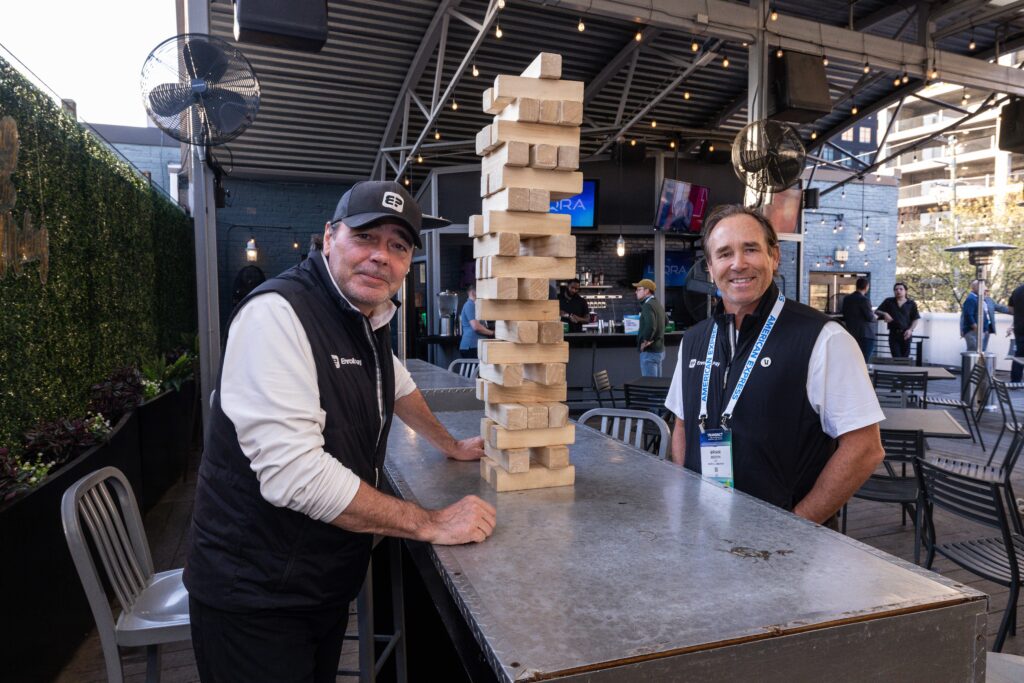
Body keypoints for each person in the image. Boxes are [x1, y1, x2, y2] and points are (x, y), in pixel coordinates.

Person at [184, 181, 497, 683]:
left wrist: (452, 445)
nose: (381, 256)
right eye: (366, 237)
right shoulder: (277, 315)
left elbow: (397, 384)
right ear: (329, 238)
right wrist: (430, 523)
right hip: (255, 594)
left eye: (398, 246)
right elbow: (295, 475)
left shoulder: (363, 318)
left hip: (317, 581)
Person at [665, 205, 884, 525]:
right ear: (710, 268)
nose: (738, 263)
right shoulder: (695, 340)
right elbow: (683, 425)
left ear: (774, 257)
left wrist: (795, 526)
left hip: (788, 555)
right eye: (724, 254)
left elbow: (865, 449)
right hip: (705, 534)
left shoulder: (823, 339)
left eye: (750, 249)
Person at [875, 283, 920, 359]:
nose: (898, 291)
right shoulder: (888, 301)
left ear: (905, 291)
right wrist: (885, 313)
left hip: (906, 334)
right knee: (896, 358)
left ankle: (904, 371)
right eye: (896, 289)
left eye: (901, 289)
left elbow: (915, 319)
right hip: (893, 334)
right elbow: (877, 311)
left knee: (904, 359)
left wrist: (910, 330)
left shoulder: (911, 304)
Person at [841, 277, 879, 362]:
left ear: (856, 286)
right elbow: (870, 317)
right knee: (864, 361)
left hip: (851, 333)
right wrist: (875, 317)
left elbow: (845, 314)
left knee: (853, 360)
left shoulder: (847, 299)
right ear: (866, 287)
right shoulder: (864, 300)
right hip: (866, 335)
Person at [633, 278, 666, 376]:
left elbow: (651, 326)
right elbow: (666, 321)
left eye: (639, 290)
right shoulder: (657, 304)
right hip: (659, 350)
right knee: (656, 386)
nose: (636, 292)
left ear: (647, 291)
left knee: (649, 385)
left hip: (649, 351)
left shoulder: (647, 305)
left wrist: (646, 341)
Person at [458, 283, 493, 359]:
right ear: (473, 293)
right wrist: (493, 333)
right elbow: (476, 327)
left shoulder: (475, 306)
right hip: (471, 346)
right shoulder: (470, 305)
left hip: (475, 346)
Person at [1010, 281, 1024, 382]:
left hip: (1019, 327)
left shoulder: (1017, 291)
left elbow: (1010, 309)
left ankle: (1015, 380)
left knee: (1019, 354)